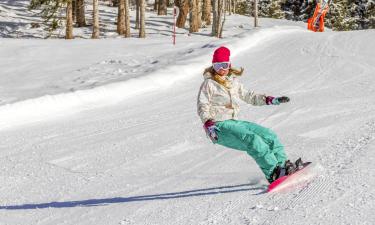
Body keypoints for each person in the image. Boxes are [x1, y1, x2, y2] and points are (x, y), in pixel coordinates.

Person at [197, 46, 298, 183]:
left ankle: (282, 166)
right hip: (218, 126)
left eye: (224, 65)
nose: (221, 68)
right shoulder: (209, 84)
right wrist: (208, 122)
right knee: (253, 140)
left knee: (268, 135)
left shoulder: (232, 82)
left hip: (233, 122)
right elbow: (202, 104)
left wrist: (270, 100)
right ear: (213, 66)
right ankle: (273, 173)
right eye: (217, 65)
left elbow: (249, 96)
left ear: (229, 65)